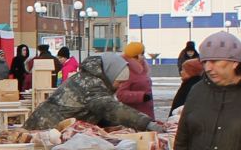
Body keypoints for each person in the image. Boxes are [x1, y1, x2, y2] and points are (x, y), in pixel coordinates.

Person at [25, 52, 158, 131]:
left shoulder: (93, 79)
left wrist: (120, 126)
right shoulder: (92, 83)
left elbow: (100, 113)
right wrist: (145, 123)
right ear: (111, 75)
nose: (120, 86)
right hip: (45, 130)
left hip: (51, 130)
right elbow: (110, 108)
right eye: (120, 82)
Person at [117, 42, 154, 118]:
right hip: (134, 115)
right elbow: (120, 94)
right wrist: (141, 96)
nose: (143, 57)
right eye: (142, 54)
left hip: (146, 112)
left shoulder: (142, 69)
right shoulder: (126, 71)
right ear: (136, 56)